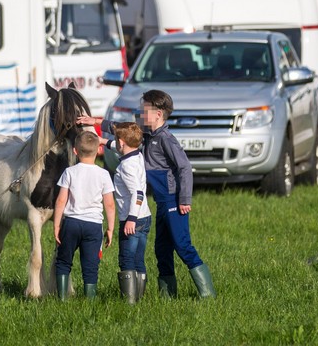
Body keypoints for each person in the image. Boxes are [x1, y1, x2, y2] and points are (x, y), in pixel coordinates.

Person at [140, 89, 215, 298]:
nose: (141, 115)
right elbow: (123, 130)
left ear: (158, 114)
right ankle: (168, 297)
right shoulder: (148, 135)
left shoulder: (166, 138)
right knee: (161, 250)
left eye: (144, 111)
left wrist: (184, 199)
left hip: (174, 201)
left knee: (183, 246)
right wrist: (97, 122)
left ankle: (208, 295)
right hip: (162, 203)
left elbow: (184, 168)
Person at [53, 129, 116, 300]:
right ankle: (90, 300)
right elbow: (109, 204)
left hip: (71, 223)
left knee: (64, 262)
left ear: (75, 151)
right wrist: (110, 228)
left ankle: (62, 300)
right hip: (93, 226)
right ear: (99, 150)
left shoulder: (69, 172)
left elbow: (60, 201)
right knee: (90, 266)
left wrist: (57, 225)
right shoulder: (103, 174)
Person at [108, 121, 151, 303]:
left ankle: (130, 302)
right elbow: (117, 146)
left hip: (132, 219)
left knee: (127, 259)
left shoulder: (126, 167)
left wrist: (131, 219)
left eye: (116, 139)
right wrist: (101, 141)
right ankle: (139, 298)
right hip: (145, 217)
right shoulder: (137, 155)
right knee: (139, 259)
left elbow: (138, 193)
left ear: (122, 142)